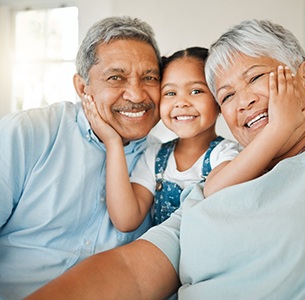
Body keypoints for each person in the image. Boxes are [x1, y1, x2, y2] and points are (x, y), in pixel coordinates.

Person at [27, 19, 305, 299]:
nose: (244, 101)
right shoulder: (206, 189)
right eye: (227, 95)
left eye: (255, 78)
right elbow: (132, 271)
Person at [0, 16, 162, 299]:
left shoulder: (162, 160)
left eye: (150, 77)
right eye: (116, 77)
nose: (137, 94)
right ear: (82, 87)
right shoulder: (26, 133)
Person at [82, 46, 241, 232]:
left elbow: (216, 192)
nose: (181, 102)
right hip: (163, 257)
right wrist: (113, 143)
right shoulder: (155, 157)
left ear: (218, 98)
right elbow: (126, 221)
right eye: (170, 93)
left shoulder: (227, 154)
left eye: (196, 91)